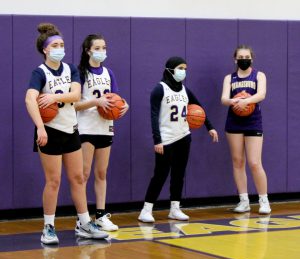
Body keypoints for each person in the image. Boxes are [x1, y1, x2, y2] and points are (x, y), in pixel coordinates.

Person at [25, 23, 108, 245]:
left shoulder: (70, 68)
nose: (60, 48)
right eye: (55, 45)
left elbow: (76, 95)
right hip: (50, 132)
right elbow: (29, 99)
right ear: (45, 49)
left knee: (78, 178)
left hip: (71, 129)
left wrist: (53, 98)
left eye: (62, 44)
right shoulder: (39, 73)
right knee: (53, 181)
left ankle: (83, 223)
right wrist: (40, 127)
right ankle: (48, 227)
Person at [138, 56, 219, 223]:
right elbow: (154, 117)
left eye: (185, 68)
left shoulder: (185, 90)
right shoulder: (159, 89)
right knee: (160, 175)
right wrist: (157, 140)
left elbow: (199, 109)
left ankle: (175, 208)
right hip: (166, 140)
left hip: (184, 137)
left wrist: (209, 127)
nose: (183, 71)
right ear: (170, 69)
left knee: (179, 174)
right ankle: (146, 210)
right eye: (180, 68)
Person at [75, 34, 129, 231]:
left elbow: (115, 98)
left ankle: (100, 215)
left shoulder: (108, 73)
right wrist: (95, 102)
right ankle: (81, 218)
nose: (101, 51)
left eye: (104, 47)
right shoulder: (80, 73)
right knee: (84, 174)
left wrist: (124, 105)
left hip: (105, 128)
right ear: (88, 50)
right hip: (86, 128)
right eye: (97, 48)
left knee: (101, 173)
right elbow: (74, 105)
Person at [221, 44, 271, 214]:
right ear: (235, 59)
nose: (244, 60)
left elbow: (261, 94)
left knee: (255, 163)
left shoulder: (259, 75)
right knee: (238, 161)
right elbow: (223, 99)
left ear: (252, 58)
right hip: (234, 122)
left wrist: (246, 101)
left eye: (246, 57)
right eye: (240, 58)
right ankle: (244, 201)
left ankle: (264, 200)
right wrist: (234, 101)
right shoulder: (230, 78)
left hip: (253, 121)